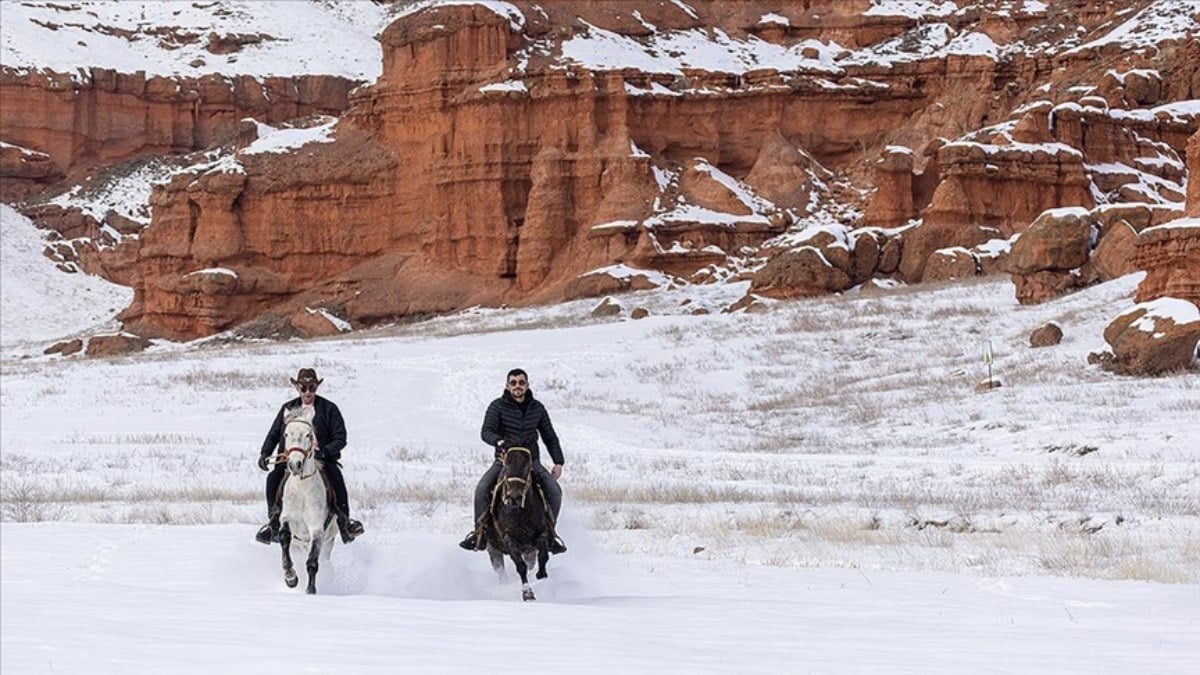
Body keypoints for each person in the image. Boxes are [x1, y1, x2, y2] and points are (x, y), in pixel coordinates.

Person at [460, 368, 567, 554]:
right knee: (482, 488)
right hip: (504, 462)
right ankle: (479, 533)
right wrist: (499, 441)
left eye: (521, 382)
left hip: (531, 462)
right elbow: (486, 431)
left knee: (555, 491)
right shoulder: (497, 406)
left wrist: (558, 462)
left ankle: (550, 534)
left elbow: (549, 436)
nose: (518, 386)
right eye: (514, 383)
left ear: (527, 385)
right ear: (507, 386)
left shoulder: (537, 408)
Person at [255, 368, 364, 545]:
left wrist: (325, 451)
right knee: (272, 479)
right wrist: (265, 452)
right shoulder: (288, 408)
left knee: (336, 479)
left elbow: (340, 437)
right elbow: (274, 434)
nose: (307, 392)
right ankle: (273, 523)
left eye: (311, 387)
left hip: (321, 460)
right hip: (291, 458)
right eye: (303, 388)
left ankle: (345, 523)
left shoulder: (329, 409)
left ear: (316, 387)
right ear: (297, 388)